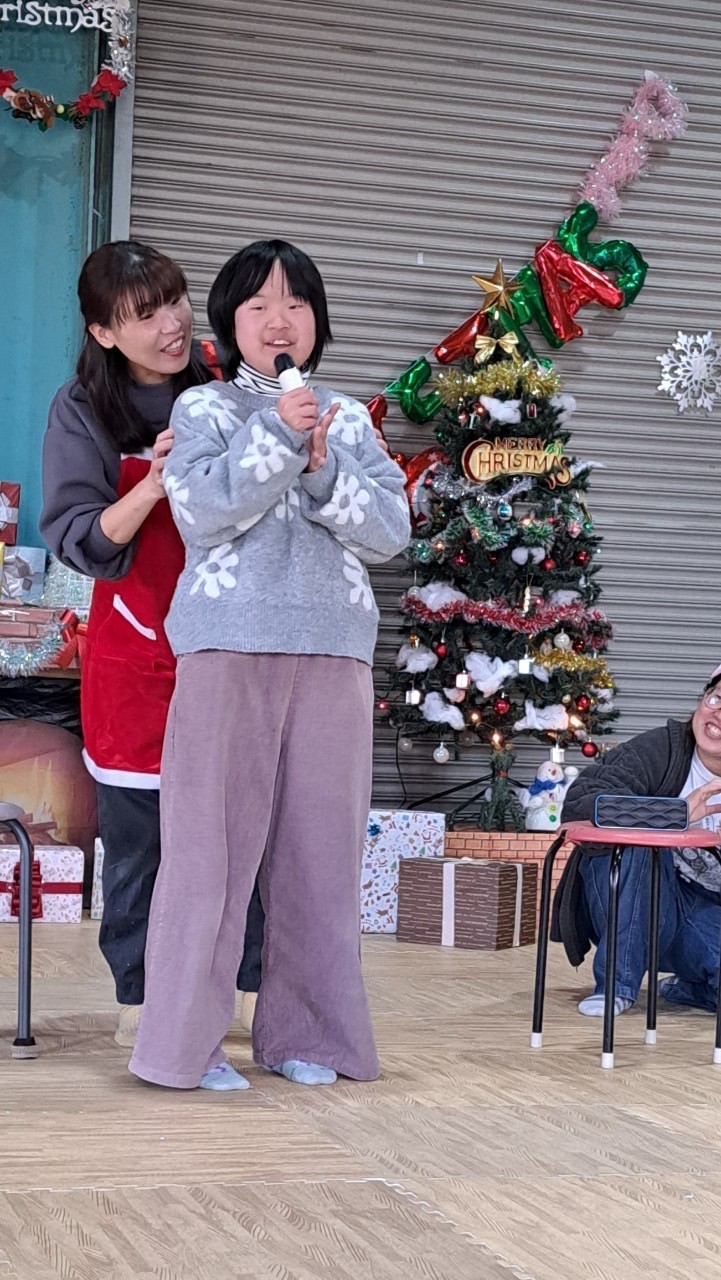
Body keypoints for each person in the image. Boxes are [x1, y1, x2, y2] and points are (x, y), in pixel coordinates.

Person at [128, 238, 410, 1092]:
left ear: (316, 320)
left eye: (295, 303)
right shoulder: (205, 409)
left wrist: (322, 471)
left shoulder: (348, 418)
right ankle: (184, 1048)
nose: (278, 320)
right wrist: (281, 436)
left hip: (333, 651)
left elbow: (390, 531)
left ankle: (309, 1038)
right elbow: (203, 511)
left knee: (321, 859)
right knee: (207, 856)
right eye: (258, 305)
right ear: (230, 322)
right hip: (227, 646)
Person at [40, 241, 265, 1047]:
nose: (172, 324)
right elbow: (78, 537)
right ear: (104, 332)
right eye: (145, 314)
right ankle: (141, 998)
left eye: (174, 300)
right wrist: (155, 486)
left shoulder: (226, 383)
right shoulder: (83, 409)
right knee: (141, 842)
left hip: (231, 644)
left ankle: (248, 989)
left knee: (241, 831)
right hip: (136, 653)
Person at [552, 664, 721, 1016]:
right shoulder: (661, 749)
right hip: (636, 900)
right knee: (639, 842)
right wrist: (673, 814)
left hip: (704, 914)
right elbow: (583, 800)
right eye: (716, 698)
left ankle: (690, 989)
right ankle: (617, 984)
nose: (718, 713)